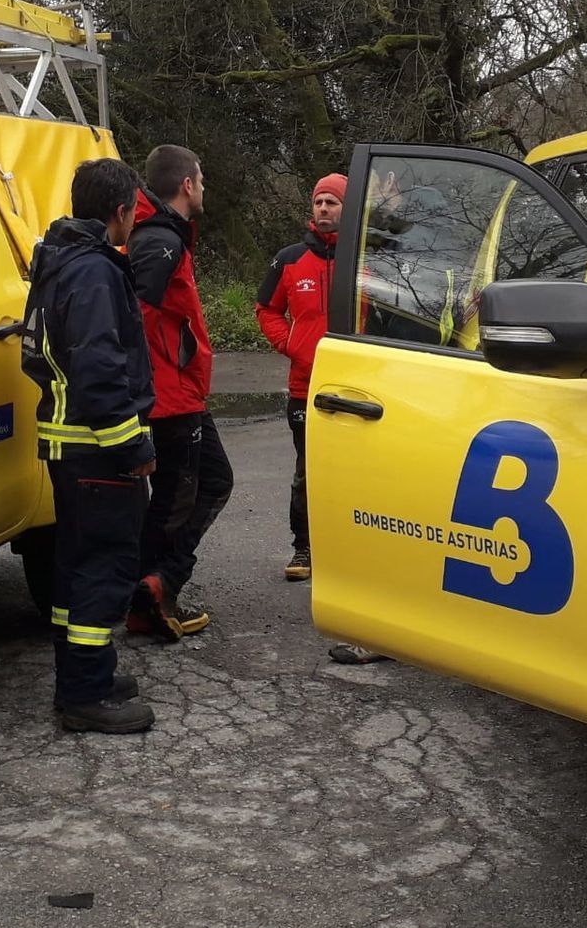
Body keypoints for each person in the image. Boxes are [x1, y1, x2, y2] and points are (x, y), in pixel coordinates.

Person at [20, 158, 159, 734]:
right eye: (134, 211)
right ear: (121, 211)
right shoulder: (96, 272)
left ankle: (85, 674)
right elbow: (100, 369)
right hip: (97, 449)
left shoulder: (59, 260)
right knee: (104, 567)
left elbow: (36, 355)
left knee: (77, 567)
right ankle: (86, 694)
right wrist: (132, 445)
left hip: (69, 445)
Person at [126, 144, 233, 643]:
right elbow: (134, 315)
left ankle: (151, 590)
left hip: (177, 389)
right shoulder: (159, 240)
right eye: (202, 180)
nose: (204, 188)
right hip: (169, 395)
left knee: (185, 491)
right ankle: (158, 587)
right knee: (191, 491)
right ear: (188, 184)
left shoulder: (163, 234)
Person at [255, 172, 344, 582]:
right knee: (307, 470)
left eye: (332, 202)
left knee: (358, 472)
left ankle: (351, 549)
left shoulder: (364, 258)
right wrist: (291, 343)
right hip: (305, 386)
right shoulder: (289, 259)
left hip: (358, 386)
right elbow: (265, 310)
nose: (323, 209)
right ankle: (304, 548)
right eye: (319, 202)